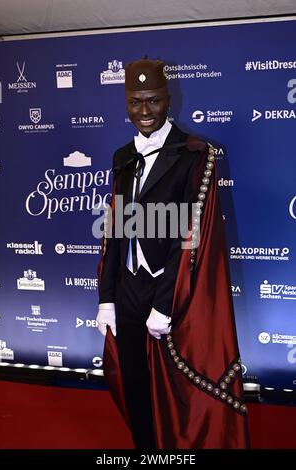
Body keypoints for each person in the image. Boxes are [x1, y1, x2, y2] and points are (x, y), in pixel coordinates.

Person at [96, 58, 249, 449]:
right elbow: (116, 228)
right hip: (127, 290)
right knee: (135, 385)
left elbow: (191, 237)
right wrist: (107, 299)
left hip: (173, 294)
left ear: (168, 100)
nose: (143, 112)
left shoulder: (195, 154)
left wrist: (165, 304)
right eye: (134, 102)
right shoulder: (122, 157)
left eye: (153, 101)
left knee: (176, 393)